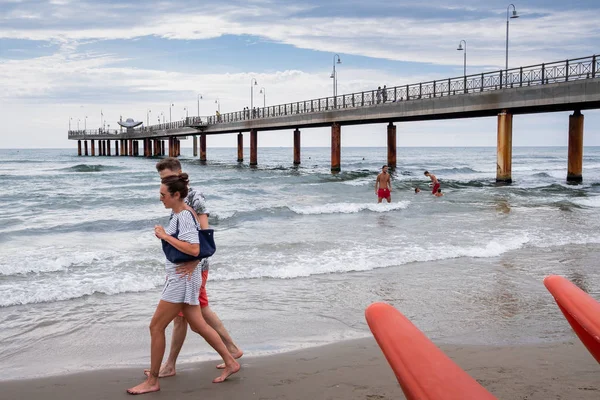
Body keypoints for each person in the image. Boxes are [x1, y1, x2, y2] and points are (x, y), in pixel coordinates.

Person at [127, 174, 240, 395]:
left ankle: (152, 381)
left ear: (176, 195)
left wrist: (164, 236)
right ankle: (231, 361)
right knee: (198, 325)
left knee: (156, 327)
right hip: (183, 277)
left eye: (163, 195)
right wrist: (165, 235)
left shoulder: (185, 216)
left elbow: (194, 249)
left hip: (181, 280)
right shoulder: (179, 213)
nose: (160, 198)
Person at [150, 158, 243, 379]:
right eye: (162, 179)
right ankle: (228, 351)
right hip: (183, 265)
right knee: (191, 315)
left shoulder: (193, 198)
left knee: (194, 315)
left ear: (179, 174)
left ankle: (229, 349)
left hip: (194, 266)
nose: (164, 183)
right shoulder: (175, 200)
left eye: (167, 179)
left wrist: (195, 260)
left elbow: (203, 234)